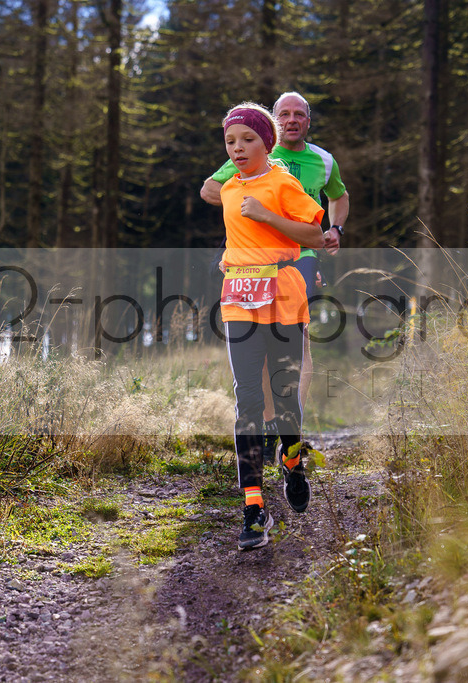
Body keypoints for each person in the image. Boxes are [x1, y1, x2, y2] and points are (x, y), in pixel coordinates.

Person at [201, 92, 349, 464]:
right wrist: (242, 218)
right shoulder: (252, 151)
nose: (292, 120)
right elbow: (210, 189)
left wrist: (337, 229)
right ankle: (269, 426)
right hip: (253, 262)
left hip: (301, 257)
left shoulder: (323, 160)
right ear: (274, 122)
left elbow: (339, 198)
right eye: (284, 114)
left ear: (308, 122)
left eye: (299, 114)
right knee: (258, 352)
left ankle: (289, 430)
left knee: (298, 345)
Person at [217, 102, 325, 550]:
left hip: (282, 300)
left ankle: (293, 462)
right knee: (247, 401)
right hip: (239, 302)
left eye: (247, 140)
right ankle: (254, 510)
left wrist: (267, 216)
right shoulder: (228, 189)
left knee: (283, 398)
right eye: (230, 142)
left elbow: (314, 236)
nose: (238, 149)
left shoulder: (284, 182)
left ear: (267, 142)